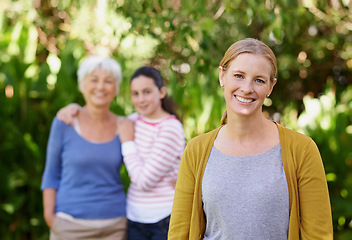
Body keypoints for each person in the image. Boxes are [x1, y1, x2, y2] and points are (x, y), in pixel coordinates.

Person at [168, 38, 333, 240]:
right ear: (222, 76)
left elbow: (318, 235)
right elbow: (179, 233)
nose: (247, 88)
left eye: (259, 80)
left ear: (270, 87)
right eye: (238, 75)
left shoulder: (302, 150)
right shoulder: (196, 151)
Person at [57, 66, 185, 240]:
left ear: (162, 92)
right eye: (135, 93)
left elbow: (144, 181)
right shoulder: (132, 121)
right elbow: (100, 127)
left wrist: (127, 142)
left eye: (147, 92)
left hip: (164, 219)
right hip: (134, 218)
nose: (141, 99)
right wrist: (72, 109)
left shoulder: (170, 128)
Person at [41, 56, 128, 240]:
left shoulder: (125, 126)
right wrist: (50, 218)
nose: (101, 87)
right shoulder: (65, 122)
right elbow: (51, 173)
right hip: (68, 225)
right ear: (82, 85)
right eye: (94, 80)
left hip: (114, 226)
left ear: (116, 88)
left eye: (108, 81)